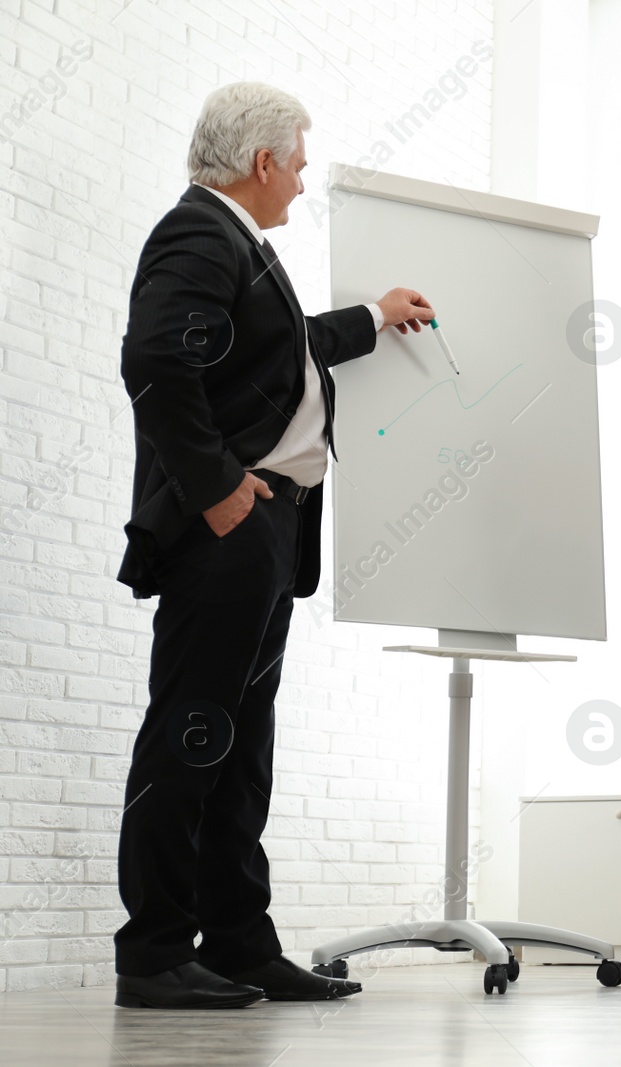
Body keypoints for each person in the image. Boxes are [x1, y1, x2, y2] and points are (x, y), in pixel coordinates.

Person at [114, 82, 435, 1009]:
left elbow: (280, 349)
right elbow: (155, 362)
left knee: (240, 746)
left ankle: (241, 943)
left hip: (267, 529)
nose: (299, 182)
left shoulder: (237, 243)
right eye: (296, 164)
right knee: (191, 736)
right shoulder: (197, 235)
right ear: (262, 163)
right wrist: (217, 492)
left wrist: (373, 319)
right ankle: (155, 954)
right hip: (229, 527)